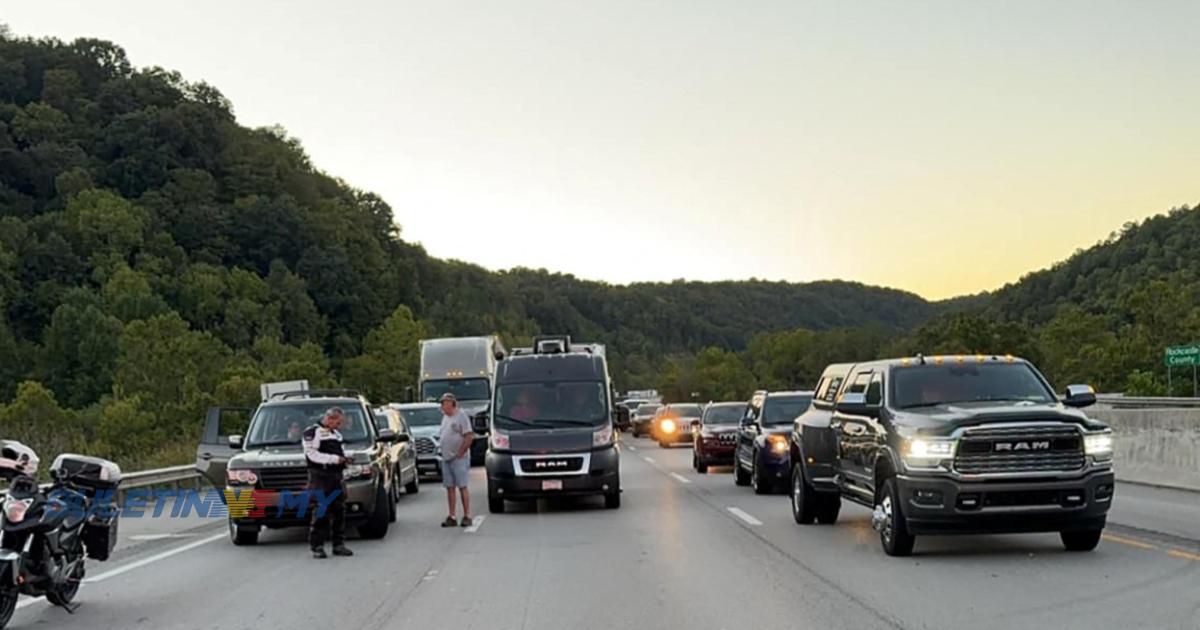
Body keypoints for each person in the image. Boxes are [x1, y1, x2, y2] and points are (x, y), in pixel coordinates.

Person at [303, 408, 353, 559]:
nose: (339, 425)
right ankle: (317, 546)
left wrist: (345, 459)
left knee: (339, 510)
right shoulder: (313, 432)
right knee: (321, 510)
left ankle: (339, 544)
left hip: (336, 475)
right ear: (330, 418)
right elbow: (312, 455)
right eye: (338, 422)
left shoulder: (335, 434)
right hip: (320, 476)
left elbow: (339, 453)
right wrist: (334, 459)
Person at [437, 393, 474, 527]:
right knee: (450, 487)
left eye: (444, 403)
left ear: (451, 404)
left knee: (462, 486)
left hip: (459, 458)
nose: (442, 406)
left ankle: (467, 515)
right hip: (447, 457)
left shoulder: (461, 416)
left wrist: (461, 452)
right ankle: (452, 515)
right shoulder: (445, 418)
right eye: (442, 403)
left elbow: (469, 435)